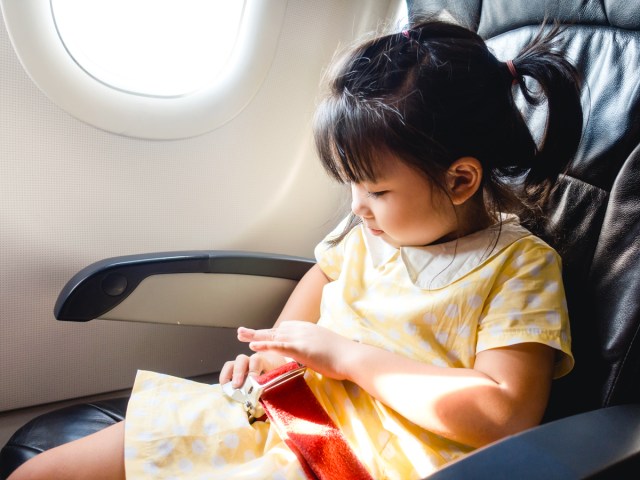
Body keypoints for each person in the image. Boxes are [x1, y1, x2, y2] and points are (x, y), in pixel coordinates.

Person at [9, 18, 582, 480]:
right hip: (282, 408)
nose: (358, 207)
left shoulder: (519, 267)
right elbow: (321, 285)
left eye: (377, 190)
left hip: (353, 457)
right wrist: (276, 357)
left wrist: (344, 357)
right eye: (351, 185)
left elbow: (505, 412)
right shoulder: (372, 233)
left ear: (460, 181)